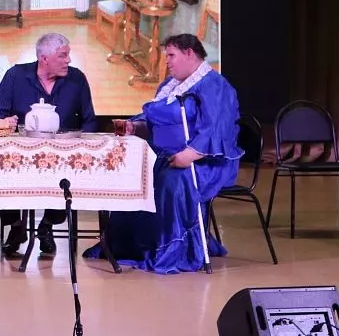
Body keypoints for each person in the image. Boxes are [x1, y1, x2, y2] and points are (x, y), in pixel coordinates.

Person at [84, 33, 242, 274]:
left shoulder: (215, 86)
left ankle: (171, 248)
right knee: (134, 177)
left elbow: (217, 128)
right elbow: (153, 122)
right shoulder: (169, 86)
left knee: (172, 183)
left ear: (189, 53)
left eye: (171, 55)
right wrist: (134, 126)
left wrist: (189, 155)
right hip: (165, 156)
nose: (166, 61)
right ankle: (131, 246)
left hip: (204, 161)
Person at [0, 32, 96, 255]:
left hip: (63, 154)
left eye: (68, 55)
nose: (68, 60)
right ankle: (16, 227)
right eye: (62, 55)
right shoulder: (15, 75)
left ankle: (46, 226)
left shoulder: (77, 79)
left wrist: (82, 146)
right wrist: (5, 122)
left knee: (67, 174)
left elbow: (89, 119)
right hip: (21, 154)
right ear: (43, 58)